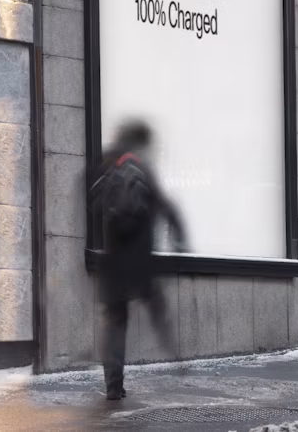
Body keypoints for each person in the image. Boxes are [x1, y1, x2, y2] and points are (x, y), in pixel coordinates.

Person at [89, 120, 187, 401]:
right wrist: (178, 237)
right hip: (139, 259)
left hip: (113, 263)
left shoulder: (108, 169)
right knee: (156, 307)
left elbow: (92, 204)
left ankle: (113, 385)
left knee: (115, 322)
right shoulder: (143, 170)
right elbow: (167, 207)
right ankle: (174, 356)